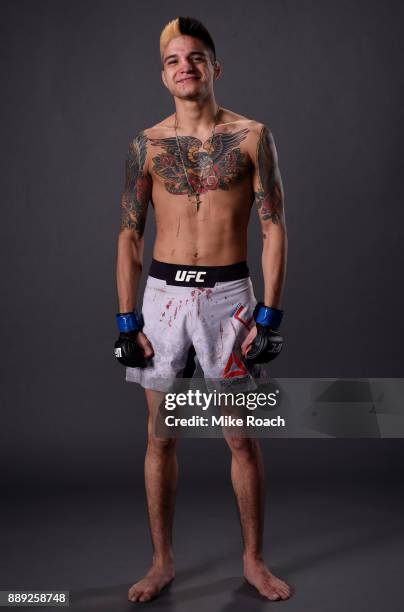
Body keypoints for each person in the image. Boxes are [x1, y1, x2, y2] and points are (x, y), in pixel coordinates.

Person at [115, 16, 290, 603]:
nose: (184, 67)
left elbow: (273, 227)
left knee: (239, 436)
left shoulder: (251, 137)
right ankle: (162, 562)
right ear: (163, 75)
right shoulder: (146, 143)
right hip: (162, 299)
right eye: (173, 60)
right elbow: (129, 236)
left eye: (195, 58)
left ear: (215, 67)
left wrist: (269, 315)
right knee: (162, 434)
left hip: (228, 299)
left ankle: (253, 560)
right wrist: (125, 317)